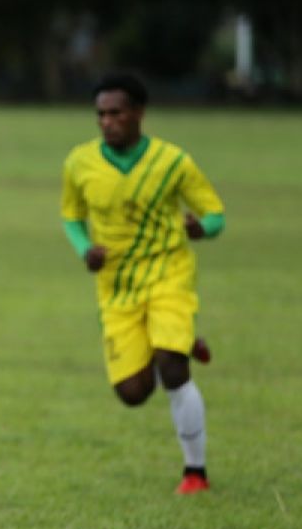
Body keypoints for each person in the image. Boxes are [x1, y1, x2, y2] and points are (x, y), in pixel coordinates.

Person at [60, 72, 226, 495]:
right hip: (118, 288)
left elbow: (215, 215)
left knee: (173, 368)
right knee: (133, 392)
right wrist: (85, 249)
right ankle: (178, 338)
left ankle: (195, 473)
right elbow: (71, 216)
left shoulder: (173, 162)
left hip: (169, 274)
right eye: (100, 114)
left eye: (116, 113)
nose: (107, 121)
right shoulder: (80, 163)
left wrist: (200, 228)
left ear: (138, 113)